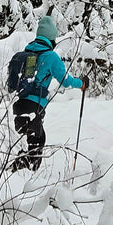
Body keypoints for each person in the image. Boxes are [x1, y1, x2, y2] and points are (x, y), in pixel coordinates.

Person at [12, 15, 88, 171]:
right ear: (51, 39)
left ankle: (18, 171)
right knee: (36, 143)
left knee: (32, 141)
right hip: (34, 107)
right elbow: (65, 80)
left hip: (20, 106)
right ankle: (24, 177)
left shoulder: (27, 54)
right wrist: (81, 84)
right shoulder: (50, 56)